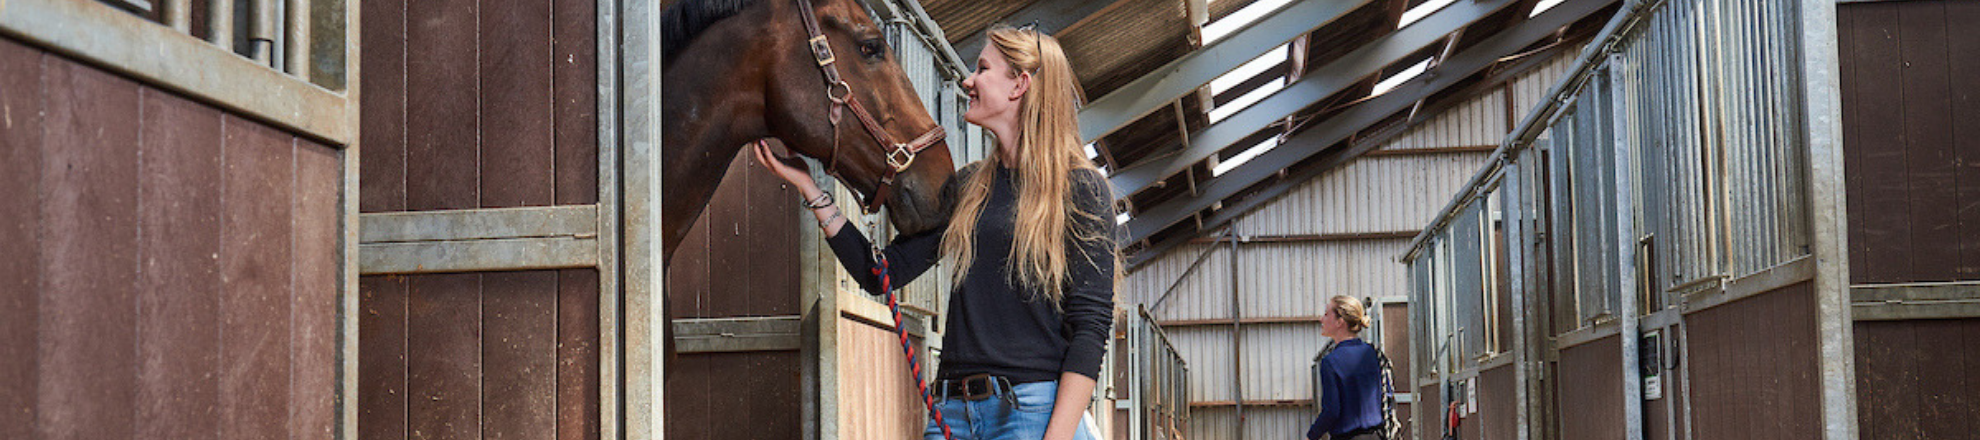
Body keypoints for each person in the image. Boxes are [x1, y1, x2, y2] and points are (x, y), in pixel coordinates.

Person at [751, 23, 1118, 440]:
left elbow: (1090, 326)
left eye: (982, 68)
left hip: (1029, 412)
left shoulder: (1081, 189)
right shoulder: (968, 187)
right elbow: (881, 274)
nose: (968, 80)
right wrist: (812, 190)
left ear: (1020, 85)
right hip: (952, 414)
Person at [1307, 296, 1386, 440]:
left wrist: (1311, 436)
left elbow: (1331, 411)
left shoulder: (1330, 362)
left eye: (1326, 314)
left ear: (1340, 322)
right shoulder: (1372, 353)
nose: (1321, 320)